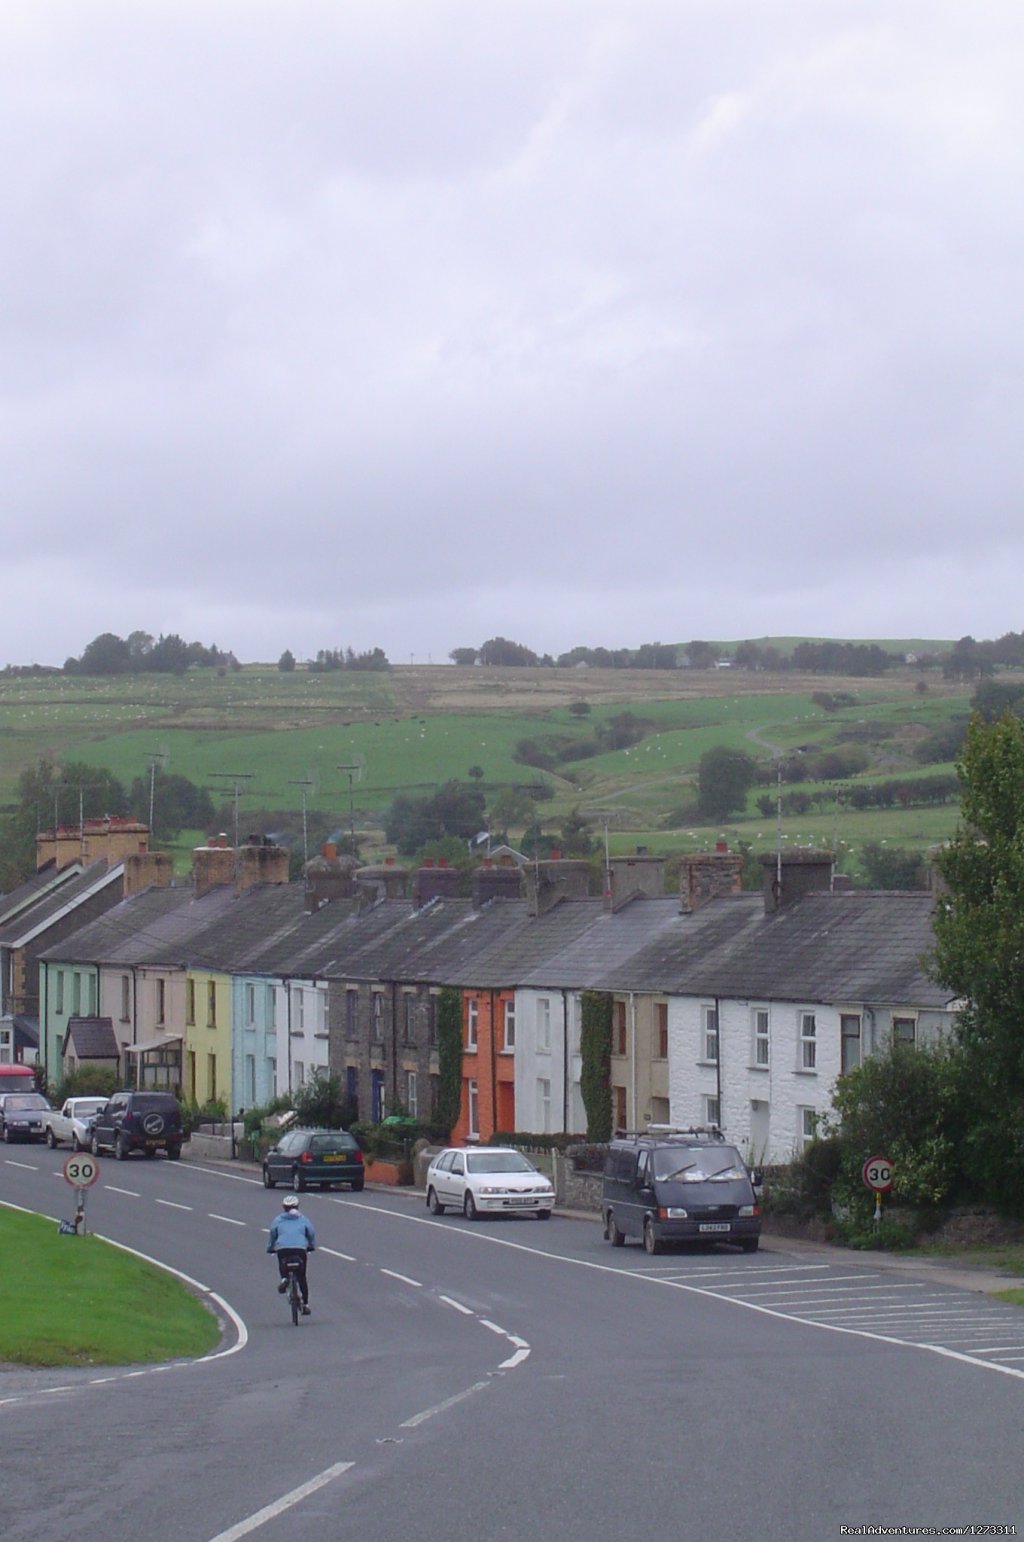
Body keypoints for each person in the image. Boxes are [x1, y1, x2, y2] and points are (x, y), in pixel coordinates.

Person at [267, 1194, 316, 1314]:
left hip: (283, 1249)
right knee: (302, 1276)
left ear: (284, 1207)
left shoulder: (278, 1219)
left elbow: (273, 1234)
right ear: (297, 1206)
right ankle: (305, 1304)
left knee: (282, 1261)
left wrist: (270, 1247)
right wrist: (311, 1246)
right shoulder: (303, 1218)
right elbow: (311, 1233)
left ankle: (284, 1278)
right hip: (300, 1249)